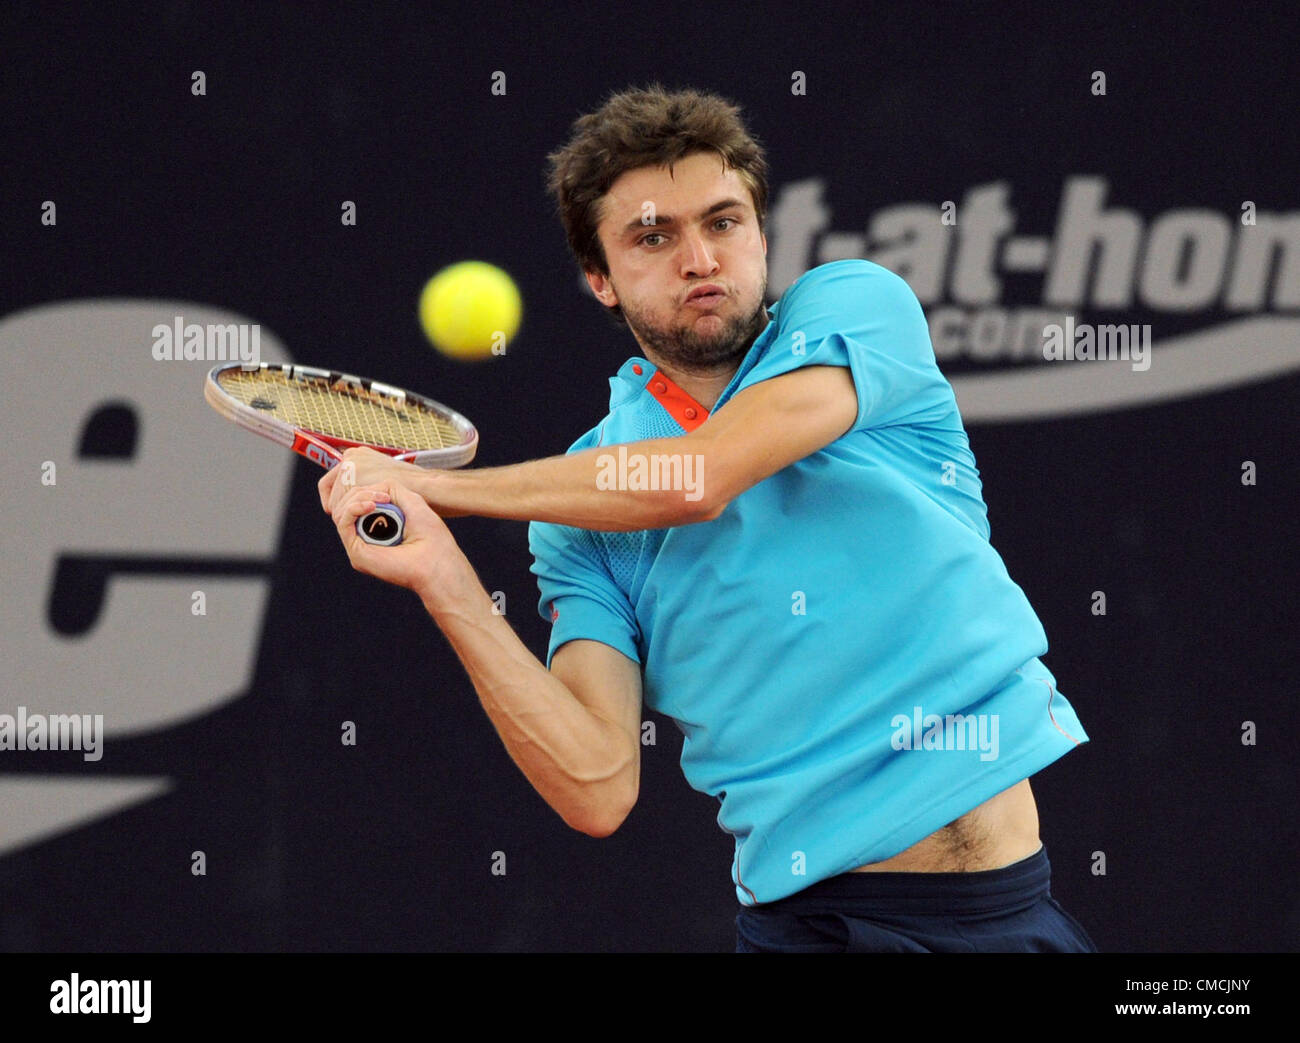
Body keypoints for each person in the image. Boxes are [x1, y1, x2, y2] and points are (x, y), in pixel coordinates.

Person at [318, 84, 1097, 953]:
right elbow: (596, 784)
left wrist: (447, 488)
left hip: (1016, 913)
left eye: (723, 222)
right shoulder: (580, 521)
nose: (701, 259)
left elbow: (699, 477)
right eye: (653, 236)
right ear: (599, 278)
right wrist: (443, 574)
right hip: (818, 934)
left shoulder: (857, 308)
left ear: (762, 235)